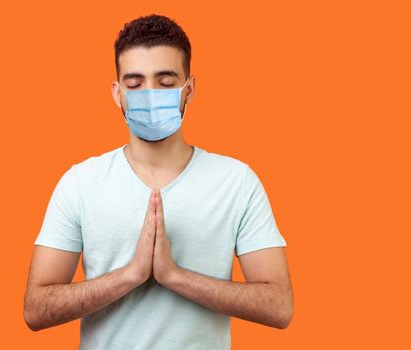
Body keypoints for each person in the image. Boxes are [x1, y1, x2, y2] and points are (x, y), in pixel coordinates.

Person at [23, 14, 293, 349]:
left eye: (165, 83)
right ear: (117, 93)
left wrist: (174, 276)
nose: (150, 95)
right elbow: (36, 309)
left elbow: (279, 306)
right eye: (135, 84)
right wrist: (130, 275)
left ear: (189, 89)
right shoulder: (80, 182)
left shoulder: (237, 182)